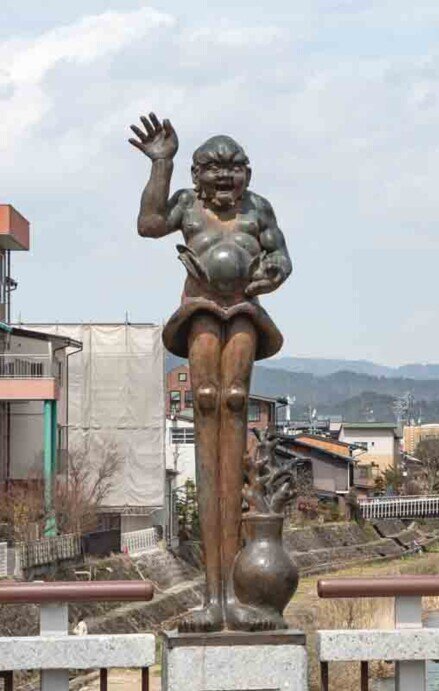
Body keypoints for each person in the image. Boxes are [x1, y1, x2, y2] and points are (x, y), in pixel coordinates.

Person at [131, 113, 292, 632]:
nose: (224, 180)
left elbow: (282, 259)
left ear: (248, 174)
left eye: (234, 170)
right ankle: (213, 596)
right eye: (213, 170)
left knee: (234, 403)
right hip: (199, 307)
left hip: (244, 309)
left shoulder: (258, 210)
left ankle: (235, 598)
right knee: (205, 399)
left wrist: (268, 275)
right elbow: (150, 224)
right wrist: (162, 164)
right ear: (198, 176)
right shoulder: (188, 206)